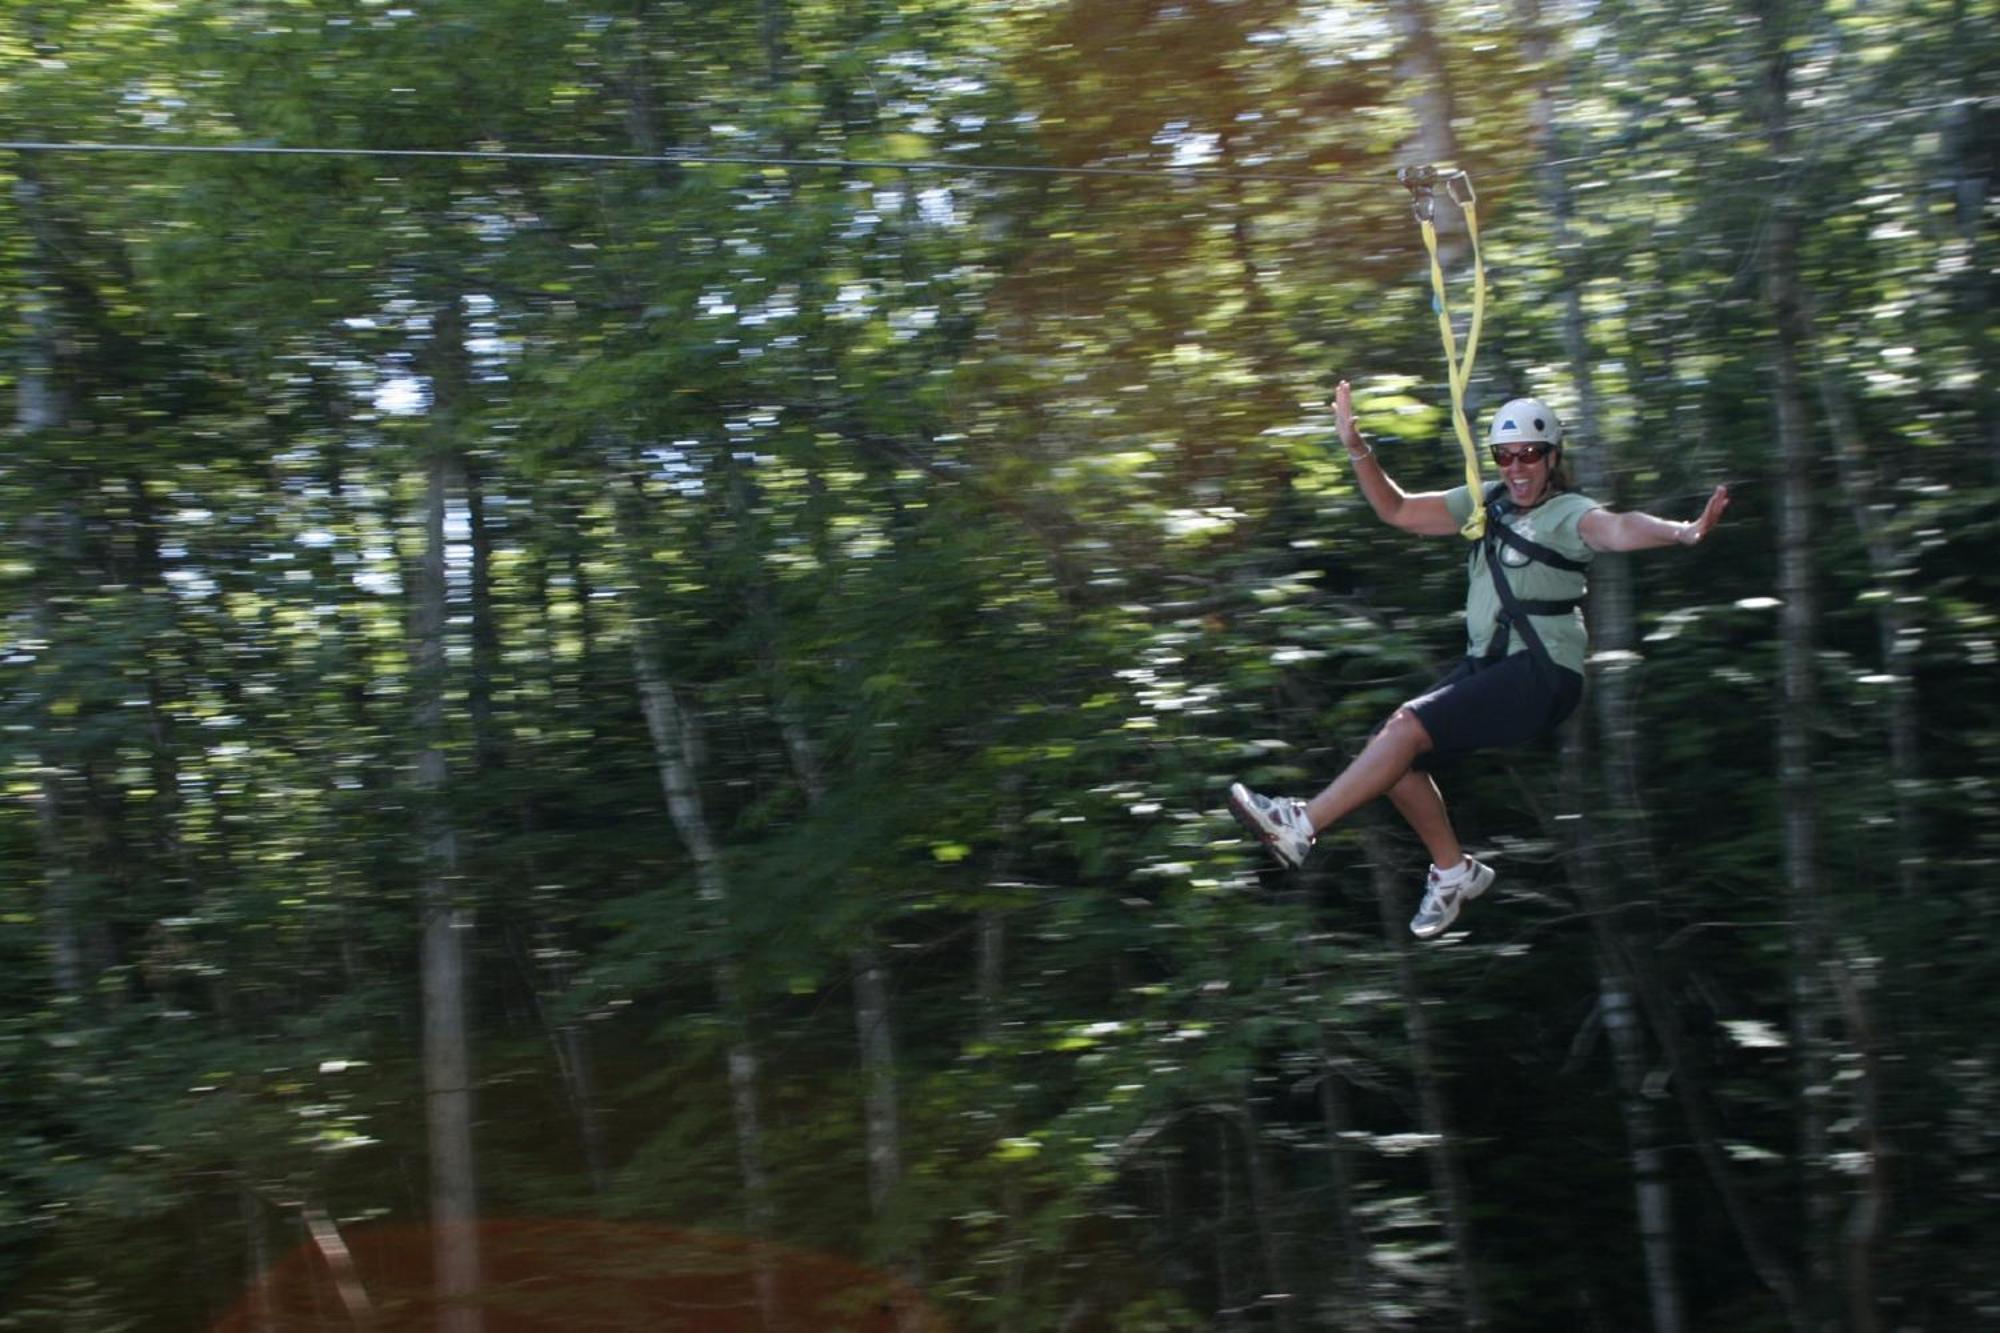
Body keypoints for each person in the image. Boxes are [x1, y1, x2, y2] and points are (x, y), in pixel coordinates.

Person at [1228, 380, 1730, 937]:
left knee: (1404, 728)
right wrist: (1355, 446)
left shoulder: (1569, 512)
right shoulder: (1484, 501)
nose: (1517, 467)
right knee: (1392, 756)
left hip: (1542, 673)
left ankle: (1302, 824)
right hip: (1490, 667)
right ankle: (1452, 871)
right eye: (1505, 455)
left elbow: (1617, 527)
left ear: (1552, 458)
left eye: (1530, 455)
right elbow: (1396, 510)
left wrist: (1681, 532)